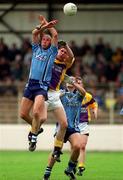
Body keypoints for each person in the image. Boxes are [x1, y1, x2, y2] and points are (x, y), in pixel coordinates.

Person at [19, 15, 58, 151]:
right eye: (44, 39)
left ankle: (33, 138)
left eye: (48, 40)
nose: (45, 41)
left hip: (41, 86)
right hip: (30, 85)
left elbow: (55, 34)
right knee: (23, 114)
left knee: (36, 112)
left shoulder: (52, 52)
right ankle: (37, 128)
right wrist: (44, 25)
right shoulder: (36, 49)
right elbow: (34, 33)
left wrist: (48, 25)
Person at [43, 77, 86, 180]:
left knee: (77, 146)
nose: (70, 82)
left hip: (73, 128)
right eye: (69, 80)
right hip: (61, 127)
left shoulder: (79, 95)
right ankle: (47, 173)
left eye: (73, 81)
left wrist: (75, 84)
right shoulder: (60, 93)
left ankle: (70, 168)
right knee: (56, 150)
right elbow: (51, 102)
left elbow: (84, 92)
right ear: (65, 83)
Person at [46, 40, 75, 161]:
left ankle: (57, 150)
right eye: (61, 50)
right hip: (43, 92)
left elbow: (72, 57)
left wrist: (66, 45)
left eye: (65, 52)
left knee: (64, 124)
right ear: (56, 51)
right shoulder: (50, 59)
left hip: (55, 94)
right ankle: (33, 134)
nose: (63, 53)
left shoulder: (65, 64)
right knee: (41, 117)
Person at [76, 77, 98, 176]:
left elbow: (94, 104)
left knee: (83, 146)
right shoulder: (70, 96)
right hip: (73, 124)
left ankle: (81, 166)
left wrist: (95, 110)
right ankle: (73, 164)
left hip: (84, 123)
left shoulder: (87, 96)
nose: (79, 85)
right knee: (75, 146)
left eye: (81, 83)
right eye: (77, 83)